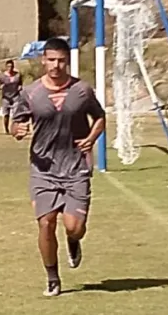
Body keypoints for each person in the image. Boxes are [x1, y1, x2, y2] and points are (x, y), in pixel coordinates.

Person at [10, 37, 106, 297]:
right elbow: (16, 124)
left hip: (76, 167)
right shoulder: (30, 93)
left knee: (74, 227)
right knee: (46, 223)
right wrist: (17, 130)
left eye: (61, 60)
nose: (55, 65)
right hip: (43, 169)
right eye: (51, 60)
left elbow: (100, 117)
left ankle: (73, 241)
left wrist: (91, 138)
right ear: (43, 60)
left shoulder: (82, 90)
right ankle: (52, 277)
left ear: (67, 62)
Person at [0, 60, 23, 135]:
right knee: (6, 114)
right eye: (8, 66)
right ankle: (6, 129)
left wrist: (20, 87)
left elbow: (20, 83)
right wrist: (0, 87)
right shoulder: (1, 76)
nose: (10, 68)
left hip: (15, 96)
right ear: (6, 67)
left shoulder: (18, 75)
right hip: (6, 97)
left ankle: (14, 128)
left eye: (11, 66)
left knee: (16, 114)